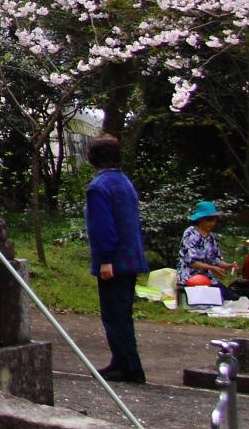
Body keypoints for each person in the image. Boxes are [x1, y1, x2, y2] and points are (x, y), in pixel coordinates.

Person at [84, 134, 149, 385]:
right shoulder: (123, 182)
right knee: (122, 314)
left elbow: (103, 227)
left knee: (114, 316)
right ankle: (120, 361)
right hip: (131, 258)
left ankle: (129, 368)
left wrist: (105, 260)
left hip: (115, 261)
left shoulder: (98, 187)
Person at [178, 201, 239, 296]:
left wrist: (229, 266)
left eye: (214, 220)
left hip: (207, 277)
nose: (213, 223)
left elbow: (215, 259)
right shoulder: (190, 233)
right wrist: (212, 268)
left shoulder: (211, 238)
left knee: (230, 295)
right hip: (190, 277)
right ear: (200, 219)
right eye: (209, 220)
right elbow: (191, 262)